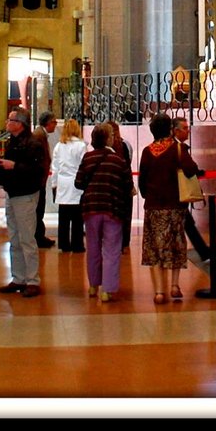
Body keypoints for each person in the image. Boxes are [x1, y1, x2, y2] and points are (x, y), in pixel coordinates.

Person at [137, 113, 199, 304]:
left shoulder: (148, 151)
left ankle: (158, 292)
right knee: (175, 245)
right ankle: (174, 286)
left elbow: (142, 182)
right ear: (170, 130)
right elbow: (192, 169)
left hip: (154, 207)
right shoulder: (178, 149)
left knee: (155, 248)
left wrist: (150, 195)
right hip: (175, 205)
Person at [75, 123, 133, 302]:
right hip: (112, 209)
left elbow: (78, 183)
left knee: (92, 247)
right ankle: (107, 289)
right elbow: (127, 185)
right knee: (111, 249)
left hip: (91, 208)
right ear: (109, 139)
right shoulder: (118, 160)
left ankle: (93, 285)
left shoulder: (88, 157)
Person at [0, 108, 47, 298]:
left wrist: (14, 166)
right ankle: (18, 277)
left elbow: (37, 170)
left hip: (25, 195)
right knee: (14, 238)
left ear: (20, 124)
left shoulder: (33, 144)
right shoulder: (12, 142)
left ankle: (32, 280)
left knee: (26, 239)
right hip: (12, 192)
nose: (7, 122)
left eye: (11, 119)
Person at [172, 116, 216, 261]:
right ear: (176, 131)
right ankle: (203, 252)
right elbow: (190, 168)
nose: (188, 131)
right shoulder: (178, 148)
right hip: (176, 194)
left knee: (187, 223)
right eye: (185, 128)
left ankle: (204, 252)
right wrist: (198, 171)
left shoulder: (169, 146)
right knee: (185, 224)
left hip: (172, 194)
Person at [52, 118, 89, 252]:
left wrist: (54, 184)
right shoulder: (81, 146)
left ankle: (63, 243)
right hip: (76, 182)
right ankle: (77, 244)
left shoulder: (59, 146)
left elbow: (55, 167)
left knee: (63, 216)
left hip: (62, 182)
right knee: (77, 217)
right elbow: (83, 165)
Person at [104, 120, 135, 250]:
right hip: (125, 184)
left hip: (110, 186)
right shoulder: (125, 145)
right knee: (126, 214)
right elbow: (129, 163)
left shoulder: (103, 148)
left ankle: (112, 240)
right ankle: (125, 241)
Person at [32, 111, 57, 249]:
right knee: (38, 209)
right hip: (38, 179)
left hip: (40, 178)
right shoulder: (39, 136)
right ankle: (38, 237)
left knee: (39, 209)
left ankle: (40, 235)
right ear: (47, 123)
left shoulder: (41, 135)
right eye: (54, 122)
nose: (55, 125)